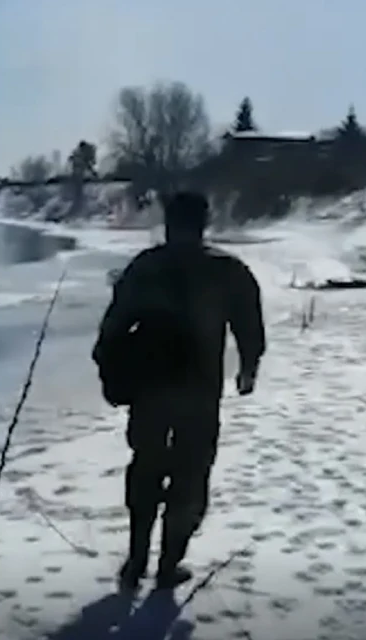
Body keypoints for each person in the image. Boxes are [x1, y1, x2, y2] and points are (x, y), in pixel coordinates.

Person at [91, 191, 266, 590]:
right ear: (204, 223)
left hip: (151, 390)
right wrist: (248, 367)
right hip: (199, 392)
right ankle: (168, 564)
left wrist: (110, 374)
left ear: (168, 223)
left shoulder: (146, 267)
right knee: (190, 476)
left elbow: (113, 328)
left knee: (146, 469)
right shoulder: (227, 270)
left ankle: (136, 561)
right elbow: (249, 323)